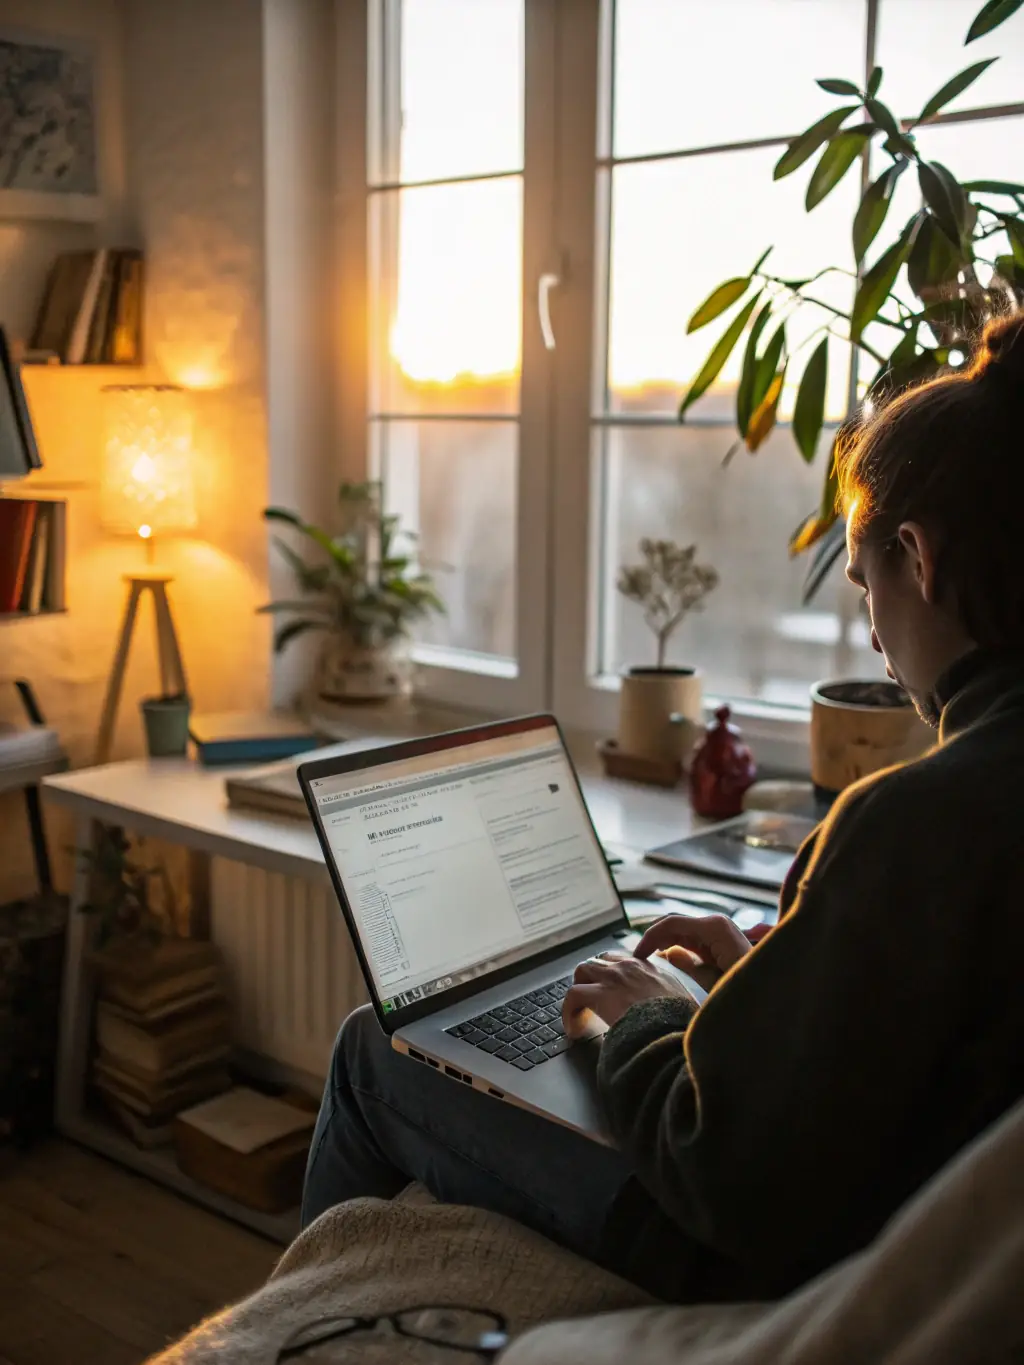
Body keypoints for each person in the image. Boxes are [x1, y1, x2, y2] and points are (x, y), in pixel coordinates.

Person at [302, 313, 1024, 1304]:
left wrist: (642, 1028)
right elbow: (912, 1048)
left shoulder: (915, 820)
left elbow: (721, 1171)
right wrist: (767, 989)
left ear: (920, 556)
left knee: (367, 1050)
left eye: (864, 588)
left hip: (760, 1262)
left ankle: (310, 1323)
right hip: (892, 1221)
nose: (871, 639)